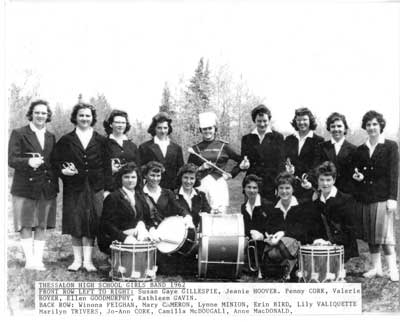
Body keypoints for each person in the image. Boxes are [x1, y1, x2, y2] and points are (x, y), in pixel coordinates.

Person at [54, 102, 111, 272]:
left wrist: (107, 189)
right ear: (75, 118)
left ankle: (88, 261)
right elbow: (55, 162)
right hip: (74, 186)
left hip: (95, 186)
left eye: (88, 115)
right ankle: (77, 260)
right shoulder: (66, 140)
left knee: (92, 222)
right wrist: (63, 171)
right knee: (76, 222)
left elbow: (107, 167)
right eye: (81, 115)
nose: (84, 118)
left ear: (92, 118)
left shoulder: (101, 140)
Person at [8, 100, 58, 270]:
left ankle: (38, 259)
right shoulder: (19, 133)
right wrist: (29, 161)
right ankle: (30, 261)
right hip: (25, 186)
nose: (40, 116)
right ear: (31, 114)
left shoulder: (51, 136)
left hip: (46, 186)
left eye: (44, 113)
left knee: (41, 224)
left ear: (48, 115)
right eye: (37, 112)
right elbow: (11, 159)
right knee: (26, 223)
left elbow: (53, 161)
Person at [352, 110, 399, 281]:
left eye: (375, 124)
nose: (371, 127)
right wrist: (358, 177)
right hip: (366, 198)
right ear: (365, 127)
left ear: (381, 126)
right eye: (368, 125)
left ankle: (393, 269)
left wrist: (393, 197)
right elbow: (357, 172)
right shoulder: (361, 149)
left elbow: (394, 174)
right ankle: (376, 268)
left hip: (383, 197)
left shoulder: (390, 146)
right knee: (372, 235)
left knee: (385, 236)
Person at [188, 111, 248, 211]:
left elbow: (241, 161)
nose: (207, 131)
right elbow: (187, 169)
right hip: (200, 185)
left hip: (219, 185)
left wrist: (232, 173)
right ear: (201, 130)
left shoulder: (224, 146)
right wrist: (201, 168)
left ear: (215, 129)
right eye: (204, 129)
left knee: (219, 217)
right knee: (200, 216)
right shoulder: (195, 149)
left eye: (210, 128)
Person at [141, 161, 193, 274]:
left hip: (164, 233)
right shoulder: (139, 194)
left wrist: (187, 216)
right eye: (152, 175)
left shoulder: (167, 193)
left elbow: (179, 209)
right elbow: (139, 217)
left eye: (158, 175)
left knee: (171, 269)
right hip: (147, 232)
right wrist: (150, 229)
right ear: (145, 175)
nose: (155, 179)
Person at [262, 172, 316, 280]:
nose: (284, 191)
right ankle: (285, 266)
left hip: (297, 244)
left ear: (293, 190)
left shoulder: (301, 206)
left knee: (283, 245)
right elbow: (269, 227)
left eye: (287, 188)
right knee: (272, 252)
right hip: (279, 243)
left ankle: (292, 264)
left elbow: (303, 230)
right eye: (281, 188)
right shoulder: (274, 208)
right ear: (277, 190)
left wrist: (283, 234)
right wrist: (271, 236)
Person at [98, 162, 150, 255]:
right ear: (120, 179)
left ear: (138, 179)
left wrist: (141, 224)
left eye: (133, 177)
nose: (130, 180)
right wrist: (124, 237)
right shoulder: (113, 197)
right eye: (126, 177)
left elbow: (143, 217)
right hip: (115, 238)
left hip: (135, 235)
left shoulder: (140, 196)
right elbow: (106, 225)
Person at [311, 161, 359, 262]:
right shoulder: (317, 201)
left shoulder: (346, 200)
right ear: (317, 181)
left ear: (334, 180)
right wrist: (317, 241)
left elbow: (350, 230)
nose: (325, 183)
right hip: (322, 244)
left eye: (328, 180)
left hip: (342, 246)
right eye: (322, 180)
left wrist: (329, 242)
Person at [240, 105, 284, 202]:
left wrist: (279, 184)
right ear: (254, 121)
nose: (262, 124)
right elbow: (244, 159)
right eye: (259, 121)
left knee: (270, 214)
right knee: (250, 214)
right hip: (252, 184)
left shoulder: (278, 137)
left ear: (269, 120)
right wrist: (244, 164)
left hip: (271, 184)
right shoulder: (247, 139)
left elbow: (281, 163)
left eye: (265, 121)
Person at [284, 107, 324, 202]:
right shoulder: (289, 139)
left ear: (310, 121)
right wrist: (287, 168)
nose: (301, 123)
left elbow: (317, 165)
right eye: (298, 120)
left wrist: (308, 179)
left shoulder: (319, 141)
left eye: (304, 119)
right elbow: (284, 159)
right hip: (289, 186)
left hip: (308, 187)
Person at [139, 112, 183, 190]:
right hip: (151, 189)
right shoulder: (144, 147)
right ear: (154, 128)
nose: (162, 131)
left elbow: (180, 171)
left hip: (171, 190)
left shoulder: (177, 148)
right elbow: (140, 171)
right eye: (159, 128)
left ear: (169, 128)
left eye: (165, 128)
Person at [315, 112, 356, 195]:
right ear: (329, 129)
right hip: (325, 192)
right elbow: (315, 169)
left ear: (345, 129)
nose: (336, 129)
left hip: (345, 194)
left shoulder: (353, 149)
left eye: (339, 126)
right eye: (333, 126)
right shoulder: (321, 147)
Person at [240, 174, 271, 276]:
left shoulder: (267, 205)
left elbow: (271, 226)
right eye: (248, 187)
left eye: (255, 188)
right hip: (252, 242)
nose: (252, 190)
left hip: (266, 241)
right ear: (244, 188)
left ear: (258, 189)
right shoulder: (243, 207)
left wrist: (262, 235)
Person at [103, 109, 140, 191]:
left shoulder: (132, 146)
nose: (120, 125)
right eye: (117, 122)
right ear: (111, 124)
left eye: (123, 123)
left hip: (130, 189)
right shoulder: (103, 144)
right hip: (111, 189)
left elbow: (138, 170)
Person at [175, 163, 211, 228]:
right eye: (185, 177)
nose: (188, 181)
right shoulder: (173, 195)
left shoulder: (201, 195)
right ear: (181, 178)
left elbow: (207, 212)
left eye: (192, 178)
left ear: (196, 179)